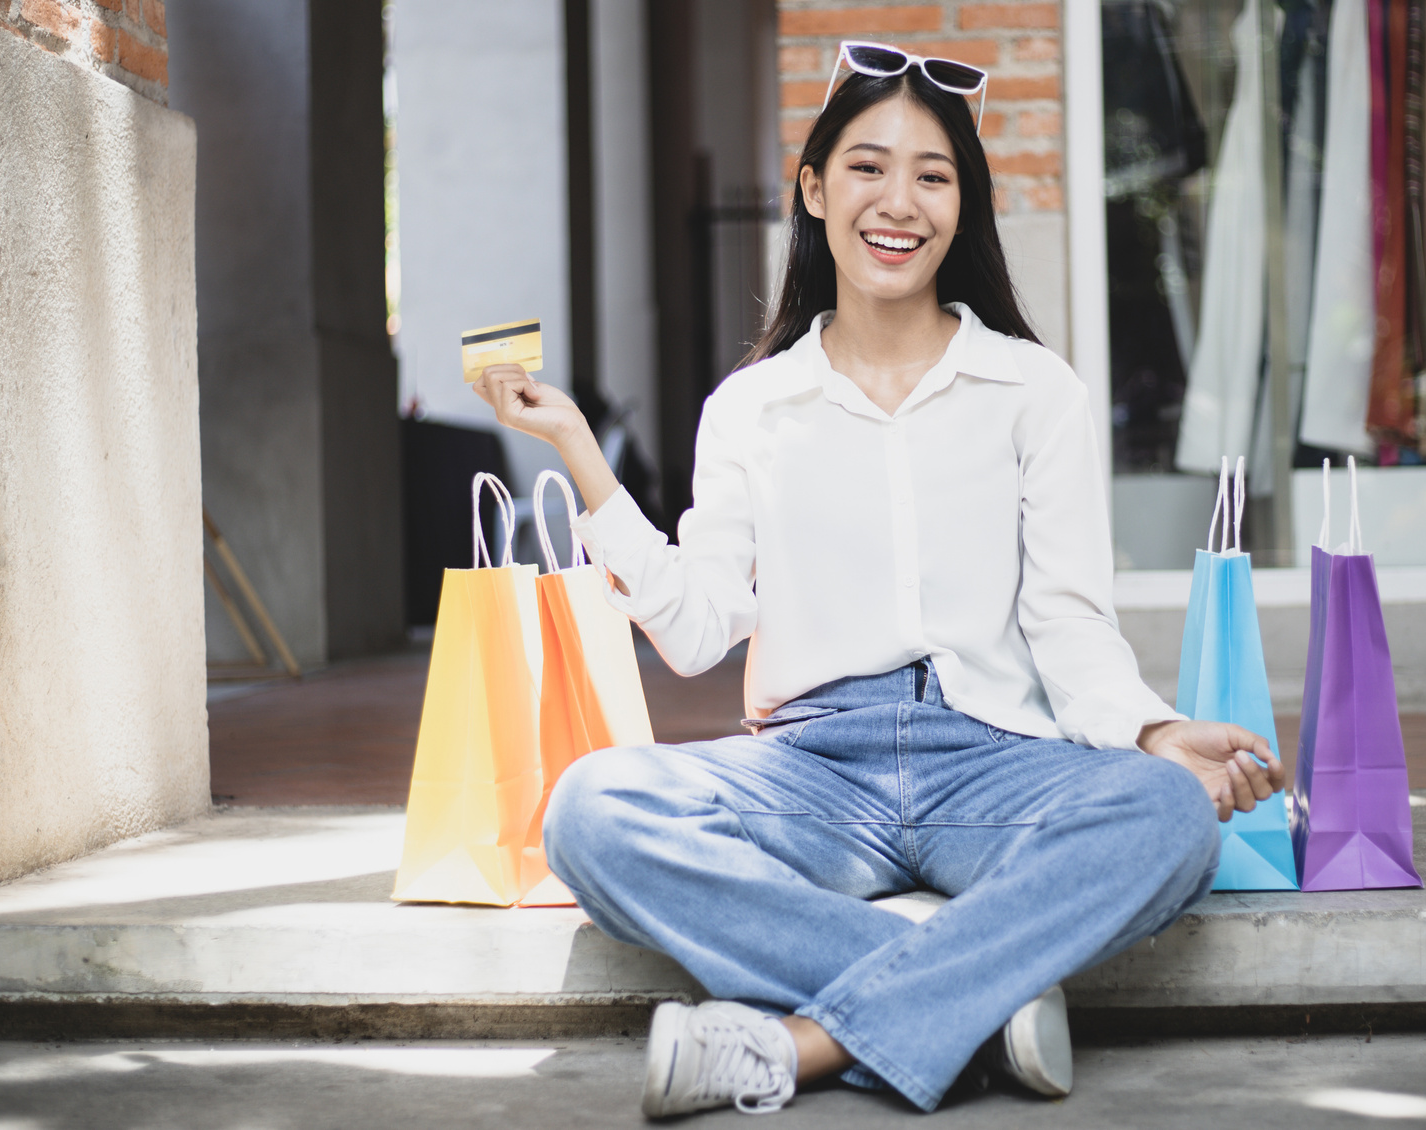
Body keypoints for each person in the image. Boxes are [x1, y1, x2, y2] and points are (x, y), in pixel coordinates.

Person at [471, 44, 1282, 1119]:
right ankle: (980, 995)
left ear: (963, 203)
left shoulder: (1034, 391)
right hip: (810, 767)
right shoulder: (752, 408)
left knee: (1172, 814)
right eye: (866, 167)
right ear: (813, 188)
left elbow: (1069, 625)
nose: (899, 202)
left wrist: (1151, 731)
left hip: (994, 760)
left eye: (934, 175)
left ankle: (802, 1041)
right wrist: (578, 449)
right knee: (590, 809)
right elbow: (695, 628)